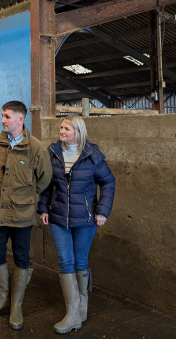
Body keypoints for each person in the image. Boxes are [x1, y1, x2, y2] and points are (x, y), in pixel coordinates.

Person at [38, 114, 115, 334]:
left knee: (81, 260)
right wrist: (43, 208)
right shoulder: (53, 153)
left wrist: (102, 211)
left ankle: (82, 309)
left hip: (86, 218)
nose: (61, 132)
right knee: (65, 262)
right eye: (61, 128)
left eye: (66, 129)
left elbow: (109, 182)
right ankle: (72, 314)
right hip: (58, 217)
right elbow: (46, 184)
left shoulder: (92, 156)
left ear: (78, 132)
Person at [0, 101, 51, 330]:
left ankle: (16, 306)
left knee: (21, 257)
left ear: (20, 120)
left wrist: (26, 197)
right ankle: (2, 299)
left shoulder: (36, 148)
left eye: (7, 116)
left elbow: (44, 179)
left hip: (22, 214)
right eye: (2, 115)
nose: (2, 120)